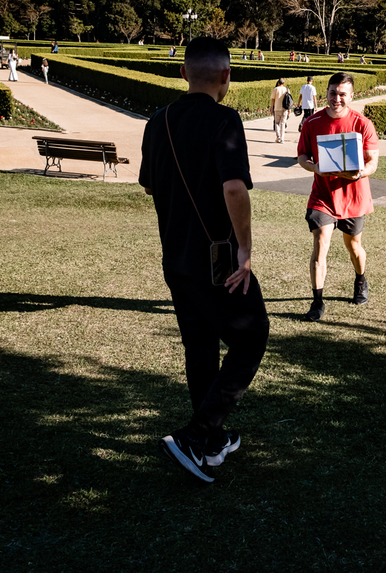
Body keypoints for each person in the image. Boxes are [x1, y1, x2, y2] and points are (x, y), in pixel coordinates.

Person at [138, 36, 269, 484]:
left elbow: (151, 185)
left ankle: (211, 441)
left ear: (183, 73)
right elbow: (234, 188)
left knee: (200, 346)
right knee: (251, 338)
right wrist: (245, 249)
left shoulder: (158, 121)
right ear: (227, 76)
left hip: (174, 256)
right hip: (217, 260)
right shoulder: (225, 119)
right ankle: (196, 436)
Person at [296, 72, 380, 321]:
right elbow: (302, 157)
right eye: (333, 92)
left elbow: (372, 162)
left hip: (354, 195)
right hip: (323, 196)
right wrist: (314, 167)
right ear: (327, 93)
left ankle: (360, 279)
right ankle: (317, 301)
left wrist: (359, 174)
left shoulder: (362, 124)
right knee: (320, 244)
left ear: (351, 96)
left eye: (343, 94)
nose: (337, 98)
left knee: (353, 246)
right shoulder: (312, 123)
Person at [270, 77, 289, 143]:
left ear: (278, 83)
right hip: (284, 109)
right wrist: (289, 109)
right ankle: (282, 138)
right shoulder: (286, 89)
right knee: (283, 123)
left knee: (277, 123)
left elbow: (273, 99)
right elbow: (289, 100)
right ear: (283, 83)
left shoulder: (275, 89)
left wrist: (271, 108)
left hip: (277, 108)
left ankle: (278, 136)